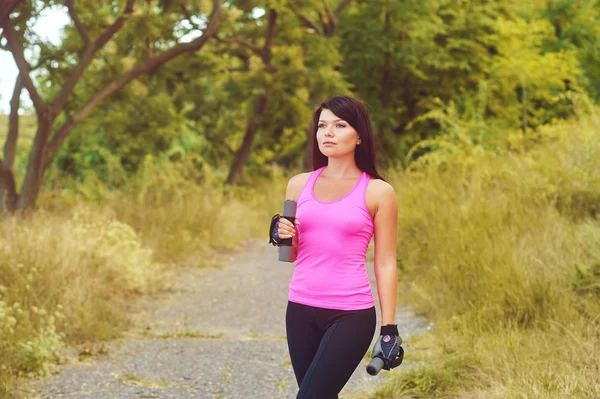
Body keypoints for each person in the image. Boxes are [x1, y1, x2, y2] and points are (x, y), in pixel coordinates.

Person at [270, 96, 402, 398]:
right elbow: (289, 255)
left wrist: (389, 328)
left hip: (350, 314)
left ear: (358, 136)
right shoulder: (298, 184)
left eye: (339, 125)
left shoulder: (379, 192)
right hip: (300, 310)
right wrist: (281, 234)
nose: (328, 132)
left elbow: (385, 263)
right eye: (322, 125)